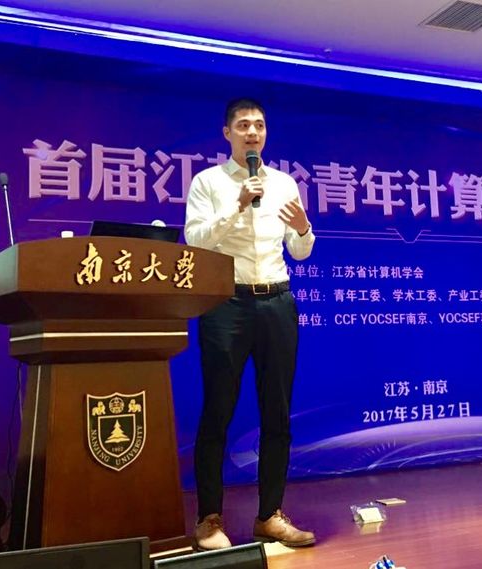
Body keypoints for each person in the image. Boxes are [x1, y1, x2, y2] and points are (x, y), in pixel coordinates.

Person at [184, 98, 316, 551]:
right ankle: (209, 518)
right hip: (227, 303)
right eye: (243, 125)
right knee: (218, 412)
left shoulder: (284, 183)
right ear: (227, 134)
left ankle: (270, 515)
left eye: (259, 125)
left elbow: (299, 251)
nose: (253, 132)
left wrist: (304, 229)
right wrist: (238, 206)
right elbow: (196, 241)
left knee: (277, 413)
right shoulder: (208, 182)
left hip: (277, 301)